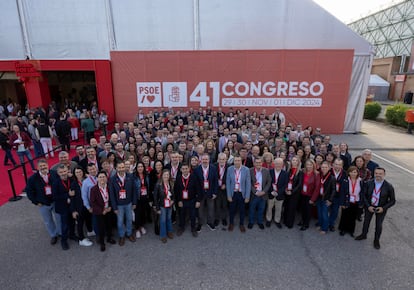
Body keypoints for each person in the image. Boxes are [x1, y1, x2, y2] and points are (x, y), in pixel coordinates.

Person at [355, 167, 396, 249]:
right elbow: (364, 196)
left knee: (378, 225)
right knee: (366, 222)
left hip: (381, 208)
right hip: (370, 207)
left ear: (384, 174)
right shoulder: (368, 183)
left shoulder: (389, 186)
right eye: (376, 173)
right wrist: (368, 206)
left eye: (380, 174)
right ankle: (364, 235)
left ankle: (376, 240)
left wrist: (383, 208)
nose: (378, 175)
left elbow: (392, 201)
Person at [25, 159, 61, 245]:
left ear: (47, 165)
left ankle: (60, 233)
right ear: (37, 167)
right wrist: (36, 202)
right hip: (43, 203)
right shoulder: (32, 179)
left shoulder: (54, 173)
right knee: (48, 220)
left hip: (55, 201)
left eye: (44, 165)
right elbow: (29, 192)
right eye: (40, 166)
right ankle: (53, 235)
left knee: (59, 218)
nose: (43, 167)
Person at [109, 161, 137, 246]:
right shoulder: (113, 179)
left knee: (129, 219)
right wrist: (114, 207)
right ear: (116, 168)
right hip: (118, 205)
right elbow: (112, 194)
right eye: (119, 167)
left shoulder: (130, 177)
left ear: (125, 168)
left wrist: (134, 202)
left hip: (129, 203)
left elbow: (134, 191)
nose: (121, 169)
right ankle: (121, 236)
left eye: (122, 167)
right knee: (120, 221)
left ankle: (129, 233)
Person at [90, 171, 116, 252]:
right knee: (101, 228)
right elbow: (93, 203)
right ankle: (102, 243)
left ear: (106, 178)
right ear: (97, 179)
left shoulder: (109, 186)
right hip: (100, 212)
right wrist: (102, 210)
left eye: (103, 177)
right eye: (100, 177)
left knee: (109, 225)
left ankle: (109, 238)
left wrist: (111, 207)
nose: (102, 178)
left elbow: (113, 198)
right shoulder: (93, 189)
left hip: (108, 209)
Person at [226, 155, 251, 233]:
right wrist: (229, 195)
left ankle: (241, 224)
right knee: (231, 210)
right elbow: (228, 183)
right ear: (233, 161)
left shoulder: (246, 169)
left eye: (238, 161)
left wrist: (247, 196)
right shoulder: (229, 169)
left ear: (241, 161)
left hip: (241, 193)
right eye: (235, 161)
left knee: (242, 210)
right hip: (233, 193)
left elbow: (248, 183)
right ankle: (231, 223)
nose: (237, 162)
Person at [193, 153, 218, 231]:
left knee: (211, 209)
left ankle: (210, 222)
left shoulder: (213, 168)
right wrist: (197, 194)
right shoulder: (197, 170)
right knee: (200, 210)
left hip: (210, 192)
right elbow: (195, 183)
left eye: (206, 159)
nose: (205, 161)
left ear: (209, 160)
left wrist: (215, 193)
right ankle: (200, 223)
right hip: (200, 193)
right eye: (203, 159)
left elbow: (215, 182)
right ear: (201, 160)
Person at [69, 166, 93, 246]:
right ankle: (81, 239)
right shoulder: (73, 184)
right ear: (74, 174)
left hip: (87, 204)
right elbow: (72, 198)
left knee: (88, 218)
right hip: (78, 206)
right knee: (80, 222)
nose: (79, 173)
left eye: (80, 172)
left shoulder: (86, 180)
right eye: (77, 172)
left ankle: (90, 231)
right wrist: (73, 210)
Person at [174, 163, 199, 237]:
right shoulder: (178, 178)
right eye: (183, 169)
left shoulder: (194, 177)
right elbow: (176, 191)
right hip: (182, 201)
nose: (185, 170)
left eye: (186, 169)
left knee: (193, 215)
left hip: (192, 200)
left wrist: (198, 200)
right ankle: (181, 227)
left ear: (189, 169)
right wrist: (179, 200)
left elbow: (198, 189)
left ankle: (193, 228)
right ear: (181, 170)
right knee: (181, 215)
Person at [338, 166, 364, 237]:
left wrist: (361, 202)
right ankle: (343, 229)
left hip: (356, 201)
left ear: (357, 173)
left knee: (353, 217)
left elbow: (362, 192)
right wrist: (342, 203)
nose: (353, 173)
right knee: (344, 216)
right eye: (351, 172)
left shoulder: (360, 181)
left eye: (355, 172)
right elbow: (342, 192)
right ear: (348, 173)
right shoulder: (345, 180)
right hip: (347, 201)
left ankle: (351, 230)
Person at [51, 164, 72, 250]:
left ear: (67, 171)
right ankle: (64, 240)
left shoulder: (71, 179)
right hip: (62, 207)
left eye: (64, 171)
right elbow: (55, 196)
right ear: (58, 173)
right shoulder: (55, 183)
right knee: (64, 225)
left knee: (72, 222)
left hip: (71, 205)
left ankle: (72, 235)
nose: (63, 173)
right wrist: (67, 196)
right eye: (61, 172)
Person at [248, 157, 271, 229]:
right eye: (256, 162)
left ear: (262, 163)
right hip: (254, 194)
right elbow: (249, 183)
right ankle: (251, 222)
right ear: (254, 163)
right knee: (252, 209)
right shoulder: (250, 170)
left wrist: (264, 191)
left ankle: (260, 222)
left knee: (261, 209)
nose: (258, 164)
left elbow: (269, 182)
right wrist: (255, 192)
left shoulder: (266, 171)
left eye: (259, 162)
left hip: (263, 194)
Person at [153, 169, 175, 243]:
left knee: (169, 219)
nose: (166, 176)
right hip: (162, 205)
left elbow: (173, 194)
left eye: (168, 175)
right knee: (162, 220)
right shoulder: (158, 184)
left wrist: (173, 200)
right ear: (162, 175)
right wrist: (157, 208)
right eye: (165, 175)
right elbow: (155, 197)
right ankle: (163, 235)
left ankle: (169, 231)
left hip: (169, 205)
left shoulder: (171, 183)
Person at [314, 161, 336, 234]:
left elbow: (333, 190)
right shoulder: (319, 175)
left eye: (326, 167)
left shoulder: (332, 178)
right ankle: (320, 224)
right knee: (319, 213)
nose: (324, 169)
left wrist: (330, 200)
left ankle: (325, 228)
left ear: (329, 168)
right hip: (319, 197)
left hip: (326, 199)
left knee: (325, 214)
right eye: (323, 167)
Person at [267, 157, 288, 228]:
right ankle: (268, 219)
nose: (278, 165)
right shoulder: (270, 171)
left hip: (280, 195)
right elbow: (267, 183)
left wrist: (278, 192)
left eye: (280, 164)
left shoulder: (285, 173)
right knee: (269, 208)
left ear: (282, 165)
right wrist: (271, 191)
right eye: (277, 163)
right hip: (271, 193)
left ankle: (277, 220)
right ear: (274, 164)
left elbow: (285, 184)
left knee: (278, 209)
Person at [299, 159, 320, 231]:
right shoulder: (303, 172)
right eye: (307, 165)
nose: (309, 166)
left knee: (308, 210)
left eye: (310, 165)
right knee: (303, 208)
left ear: (313, 165)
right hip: (302, 194)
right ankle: (302, 220)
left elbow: (317, 188)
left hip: (310, 195)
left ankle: (306, 223)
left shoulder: (316, 174)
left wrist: (313, 199)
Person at [329, 158, 348, 232]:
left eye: (339, 165)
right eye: (336, 164)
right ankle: (325, 222)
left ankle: (331, 224)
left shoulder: (345, 173)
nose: (337, 166)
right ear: (333, 164)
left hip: (338, 196)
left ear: (342, 166)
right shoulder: (329, 171)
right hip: (329, 195)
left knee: (335, 211)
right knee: (326, 210)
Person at [134, 162, 151, 238]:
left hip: (145, 197)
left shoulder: (146, 175)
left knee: (143, 213)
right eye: (139, 167)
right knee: (137, 214)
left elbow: (148, 187)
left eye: (141, 166)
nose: (140, 168)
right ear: (136, 168)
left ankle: (142, 226)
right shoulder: (134, 177)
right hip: (137, 198)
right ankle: (137, 229)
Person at [214, 153, 229, 227]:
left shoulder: (229, 167)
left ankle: (224, 218)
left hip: (225, 189)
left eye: (223, 159)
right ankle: (217, 218)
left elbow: (230, 178)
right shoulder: (214, 166)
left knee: (225, 205)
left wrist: (225, 184)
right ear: (218, 159)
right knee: (217, 204)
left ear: (226, 159)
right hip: (217, 188)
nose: (222, 161)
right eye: (220, 159)